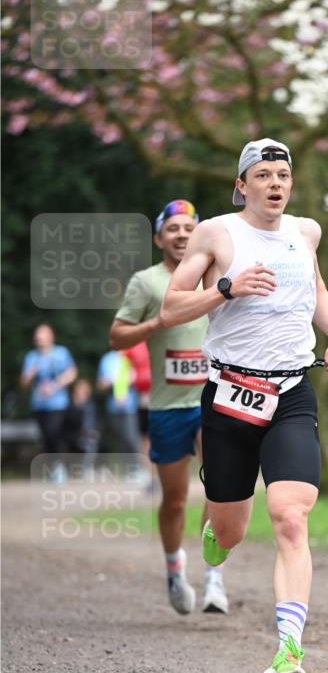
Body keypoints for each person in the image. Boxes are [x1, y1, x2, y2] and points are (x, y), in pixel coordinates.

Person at [160, 138, 328, 673]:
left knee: (291, 516)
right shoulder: (217, 233)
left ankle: (289, 649)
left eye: (283, 175)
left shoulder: (306, 232)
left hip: (292, 391)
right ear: (241, 185)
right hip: (228, 397)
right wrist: (226, 287)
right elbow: (172, 306)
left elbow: (313, 285)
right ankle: (216, 533)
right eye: (263, 174)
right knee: (232, 530)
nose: (275, 183)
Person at [109, 200, 227, 615]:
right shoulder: (146, 282)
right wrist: (154, 325)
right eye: (172, 228)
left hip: (216, 399)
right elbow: (117, 338)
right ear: (159, 237)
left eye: (188, 227)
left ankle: (215, 575)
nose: (181, 234)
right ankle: (176, 569)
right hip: (167, 406)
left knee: (221, 488)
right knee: (175, 499)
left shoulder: (216, 274)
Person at [20, 324, 77, 480]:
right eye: (37, 336)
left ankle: (59, 468)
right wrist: (30, 375)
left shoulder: (61, 353)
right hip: (39, 404)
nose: (39, 339)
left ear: (51, 336)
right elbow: (24, 384)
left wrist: (56, 385)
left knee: (54, 433)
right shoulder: (31, 357)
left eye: (42, 335)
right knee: (45, 437)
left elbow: (72, 373)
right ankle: (54, 468)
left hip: (58, 404)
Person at [97, 348, 142, 458]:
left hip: (130, 406)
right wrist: (106, 383)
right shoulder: (107, 359)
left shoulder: (133, 357)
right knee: (120, 438)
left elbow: (142, 378)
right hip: (113, 406)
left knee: (131, 437)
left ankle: (138, 467)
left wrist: (133, 380)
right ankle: (128, 468)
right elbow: (100, 385)